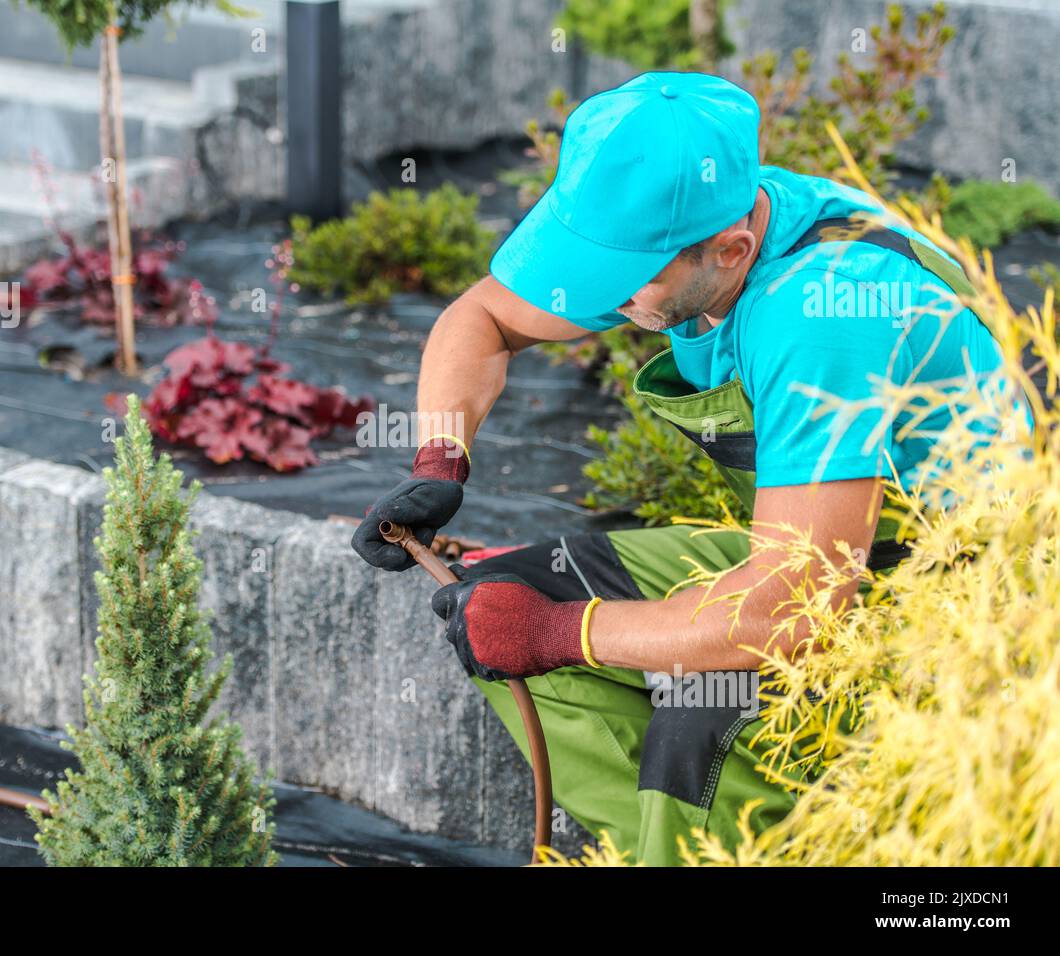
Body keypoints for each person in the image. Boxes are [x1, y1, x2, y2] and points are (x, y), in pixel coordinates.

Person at [351, 71, 1026, 864]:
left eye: (623, 281)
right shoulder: (703, 226)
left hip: (955, 608)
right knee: (505, 604)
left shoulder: (821, 314)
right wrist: (441, 459)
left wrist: (563, 633)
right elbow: (483, 318)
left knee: (701, 722)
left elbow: (790, 613)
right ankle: (660, 849)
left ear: (731, 251)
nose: (603, 299)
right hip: (829, 550)